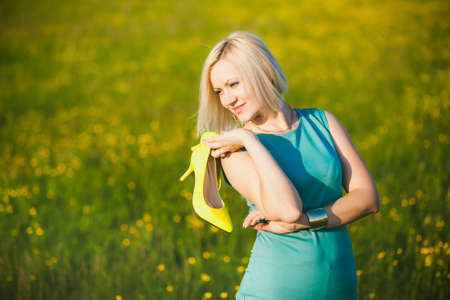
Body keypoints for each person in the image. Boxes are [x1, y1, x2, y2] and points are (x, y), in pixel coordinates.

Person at [197, 31, 379, 300]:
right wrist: (252, 140)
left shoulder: (323, 122)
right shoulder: (234, 151)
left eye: (233, 84)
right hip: (273, 290)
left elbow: (367, 199)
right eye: (219, 91)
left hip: (341, 287)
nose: (227, 100)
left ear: (265, 70)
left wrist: (307, 222)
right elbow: (288, 209)